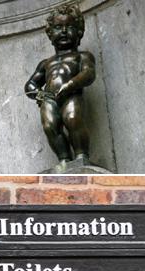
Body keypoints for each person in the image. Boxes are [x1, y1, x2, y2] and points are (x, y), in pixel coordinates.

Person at [24, 4, 95, 171]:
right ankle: (64, 159)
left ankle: (81, 155)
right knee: (50, 126)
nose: (63, 31)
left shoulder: (82, 56)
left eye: (69, 26)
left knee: (72, 118)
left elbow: (89, 74)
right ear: (50, 33)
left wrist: (70, 85)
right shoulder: (46, 63)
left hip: (72, 94)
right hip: (49, 98)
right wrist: (39, 95)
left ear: (78, 31)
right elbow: (30, 85)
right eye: (58, 27)